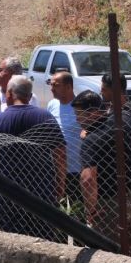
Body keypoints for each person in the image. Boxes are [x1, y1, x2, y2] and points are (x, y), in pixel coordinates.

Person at [0, 76, 65, 242]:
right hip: (41, 192)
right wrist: (60, 183)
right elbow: (60, 155)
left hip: (5, 194)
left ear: (10, 93)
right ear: (29, 94)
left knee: (8, 240)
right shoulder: (46, 118)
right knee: (41, 240)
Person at [75, 91, 131, 256]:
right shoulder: (125, 121)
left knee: (109, 254)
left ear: (92, 113)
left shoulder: (92, 140)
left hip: (109, 205)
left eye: (79, 115)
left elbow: (87, 179)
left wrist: (91, 210)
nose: (77, 120)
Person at [46, 71, 84, 216]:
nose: (52, 88)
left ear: (69, 87)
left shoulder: (79, 107)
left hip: (76, 171)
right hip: (56, 170)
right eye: (51, 84)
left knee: (76, 213)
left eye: (56, 85)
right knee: (58, 213)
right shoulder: (52, 105)